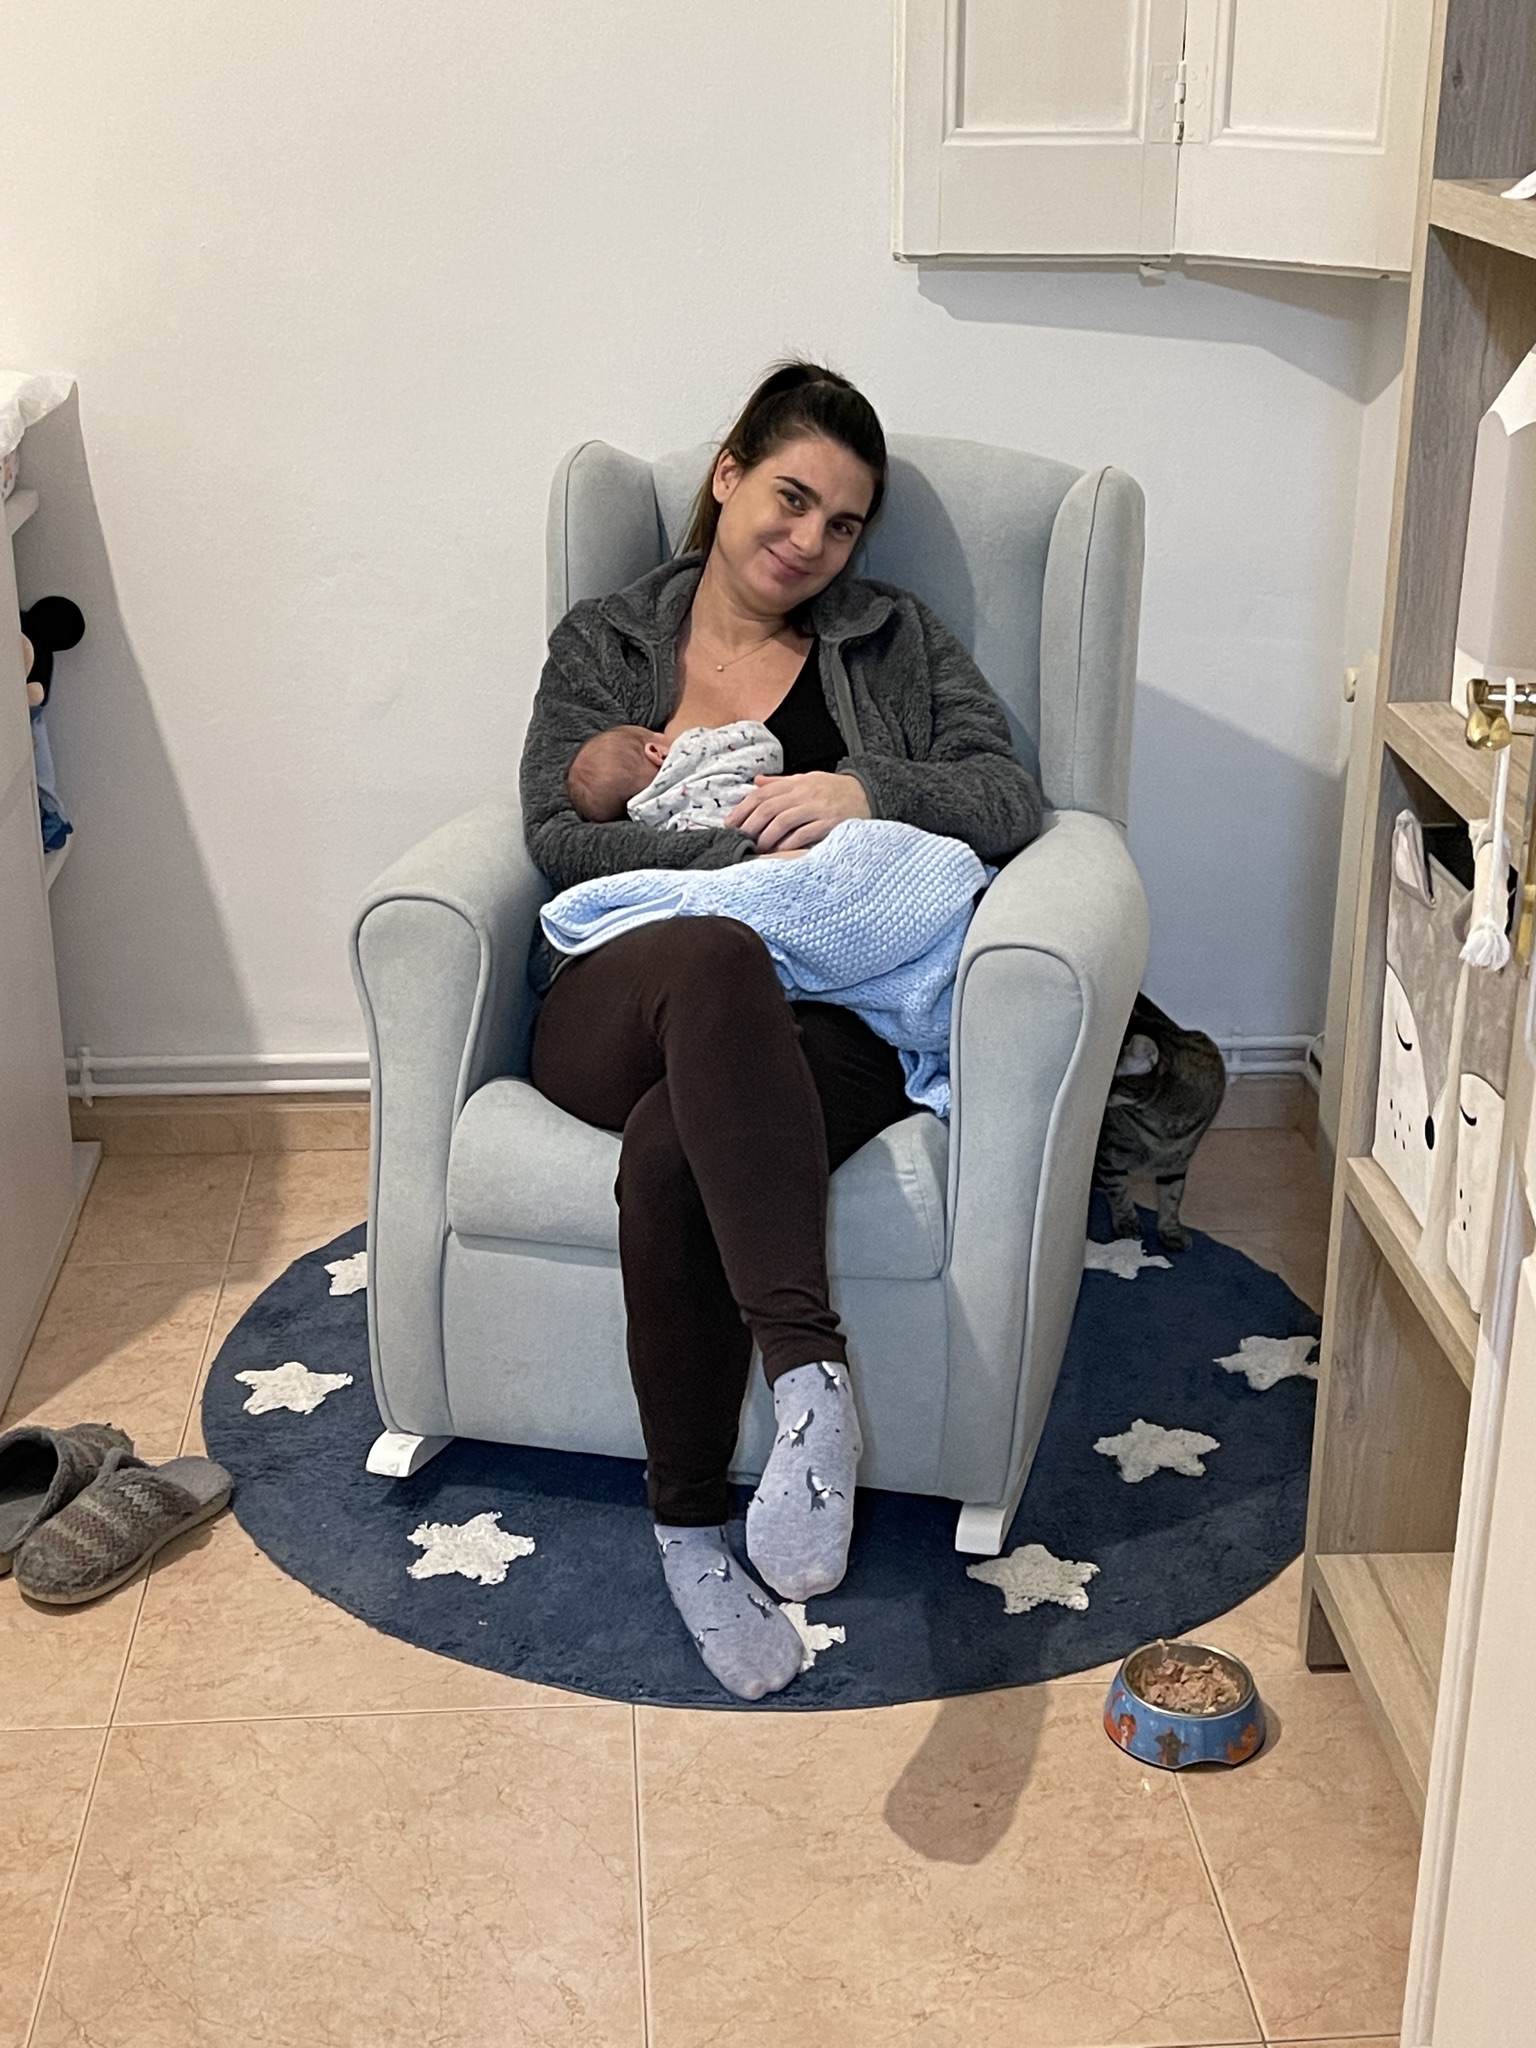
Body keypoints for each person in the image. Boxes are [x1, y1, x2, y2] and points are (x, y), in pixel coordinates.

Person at [519, 361, 1041, 1700]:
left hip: (831, 1016)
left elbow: (1006, 797)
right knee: (717, 946)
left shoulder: (894, 640)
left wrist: (864, 790)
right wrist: (737, 857)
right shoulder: (606, 640)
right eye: (792, 498)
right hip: (626, 991)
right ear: (728, 475)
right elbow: (558, 837)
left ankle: (692, 1527)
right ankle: (813, 1369)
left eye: (843, 523)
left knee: (672, 1152)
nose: (810, 540)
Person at [566, 718, 784, 831]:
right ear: (657, 752)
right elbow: (767, 748)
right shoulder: (693, 750)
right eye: (658, 734)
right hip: (780, 810)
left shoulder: (664, 826)